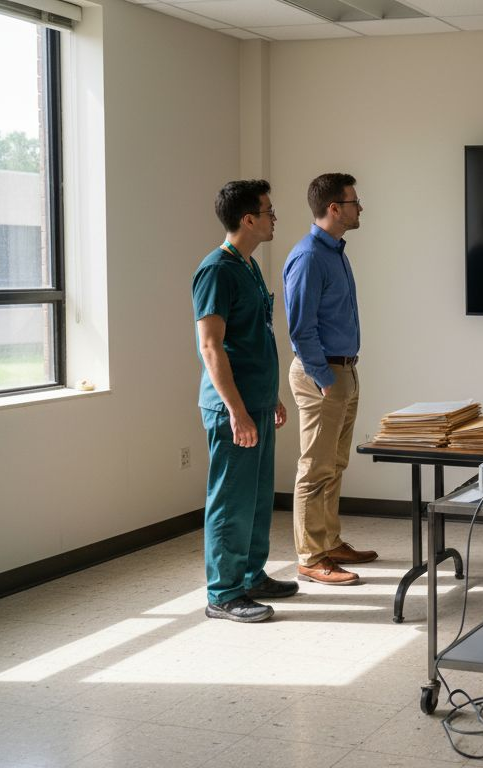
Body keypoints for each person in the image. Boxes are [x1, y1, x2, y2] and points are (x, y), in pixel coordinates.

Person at [193, 179, 297, 622]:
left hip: (256, 401)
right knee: (230, 501)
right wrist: (237, 410)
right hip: (231, 408)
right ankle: (223, 592)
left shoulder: (249, 266)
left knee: (256, 498)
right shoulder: (216, 270)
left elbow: (255, 338)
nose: (275, 218)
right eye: (270, 211)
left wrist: (269, 395)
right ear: (249, 218)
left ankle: (252, 575)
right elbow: (211, 347)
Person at [283, 172, 376, 586]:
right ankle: (310, 556)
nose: (361, 208)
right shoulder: (308, 256)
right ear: (334, 209)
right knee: (315, 467)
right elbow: (300, 328)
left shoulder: (335, 251)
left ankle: (330, 541)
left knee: (335, 464)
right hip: (321, 373)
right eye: (354, 202)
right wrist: (324, 378)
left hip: (344, 369)